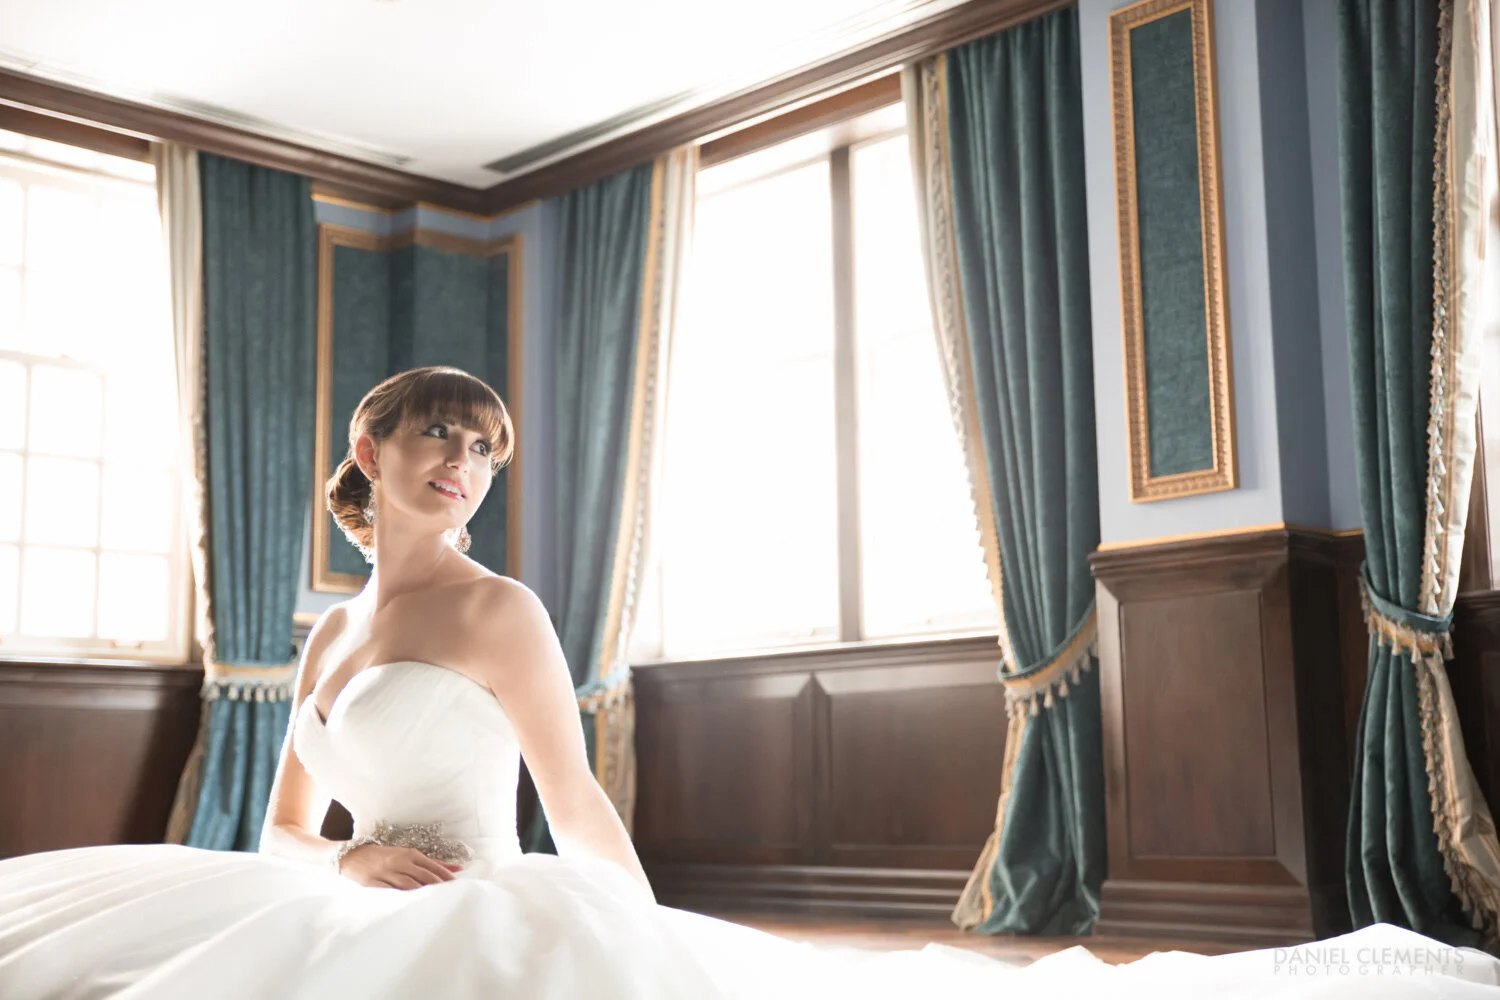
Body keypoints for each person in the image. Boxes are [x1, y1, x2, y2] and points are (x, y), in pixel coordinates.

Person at [1, 365, 1497, 1000]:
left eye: (482, 451)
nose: (461, 466)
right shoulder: (324, 635)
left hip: (498, 894)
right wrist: (349, 857)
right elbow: (279, 829)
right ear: (370, 453)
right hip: (358, 895)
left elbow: (572, 790)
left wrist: (639, 939)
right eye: (437, 440)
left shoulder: (503, 610)